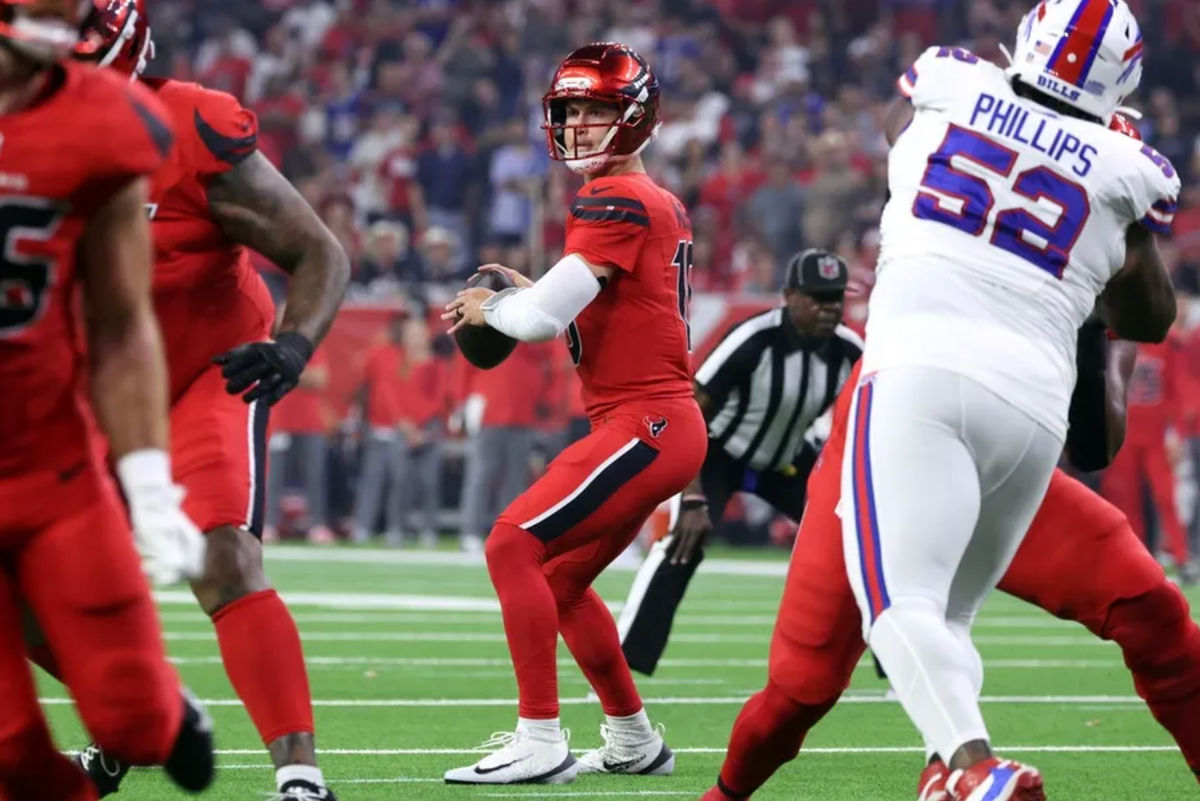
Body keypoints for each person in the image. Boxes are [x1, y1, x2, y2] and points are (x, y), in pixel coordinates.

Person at [838, 3, 1178, 798]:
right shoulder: (1127, 165)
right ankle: (943, 772)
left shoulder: (952, 79)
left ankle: (976, 770)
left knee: (893, 606)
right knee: (950, 615)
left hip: (920, 368)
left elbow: (900, 133)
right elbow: (1151, 316)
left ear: (1028, 37)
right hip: (1032, 408)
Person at [698, 323, 1200, 801]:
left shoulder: (1103, 246)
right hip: (888, 435)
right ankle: (725, 794)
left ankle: (952, 769)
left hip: (1001, 452)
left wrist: (1100, 329)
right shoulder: (934, 237)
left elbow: (1096, 443)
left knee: (1148, 608)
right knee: (801, 688)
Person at [71, 2, 350, 798]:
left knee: (222, 556)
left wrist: (292, 347)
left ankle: (300, 778)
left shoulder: (191, 129)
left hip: (208, 369)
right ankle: (144, 713)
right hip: (96, 382)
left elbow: (317, 251)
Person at [440, 42, 703, 784]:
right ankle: (633, 738)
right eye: (571, 109)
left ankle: (539, 736)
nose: (579, 123)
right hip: (658, 424)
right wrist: (530, 290)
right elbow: (604, 312)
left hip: (644, 422)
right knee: (559, 582)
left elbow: (538, 325)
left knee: (508, 543)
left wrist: (493, 304)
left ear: (636, 115)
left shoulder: (614, 196)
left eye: (595, 109)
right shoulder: (654, 198)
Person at [0, 2, 216, 797]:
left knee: (132, 723)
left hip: (52, 471)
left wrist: (151, 485)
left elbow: (124, 326)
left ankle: (170, 710)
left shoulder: (103, 122)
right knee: (11, 752)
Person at [618, 249, 862, 675]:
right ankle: (623, 668)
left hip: (786, 458)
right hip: (716, 452)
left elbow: (865, 422)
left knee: (859, 542)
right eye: (817, 297)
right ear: (789, 296)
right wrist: (691, 499)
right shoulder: (754, 338)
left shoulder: (849, 350)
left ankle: (891, 664)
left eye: (836, 298)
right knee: (681, 545)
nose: (829, 309)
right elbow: (689, 410)